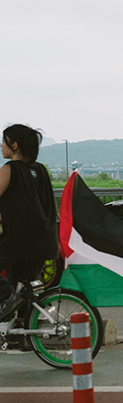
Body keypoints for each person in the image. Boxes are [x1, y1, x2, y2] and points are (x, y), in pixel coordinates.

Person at [0, 124, 59, 319]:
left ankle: (8, 295)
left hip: (19, 240)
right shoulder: (40, 170)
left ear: (14, 145)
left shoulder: (9, 169)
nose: (1, 146)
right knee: (25, 286)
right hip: (44, 239)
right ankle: (23, 334)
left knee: (14, 291)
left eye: (4, 141)